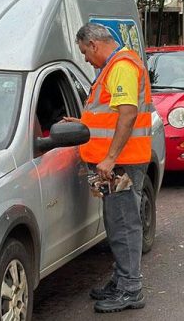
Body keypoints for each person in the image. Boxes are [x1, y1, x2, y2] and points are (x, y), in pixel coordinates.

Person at [64, 23, 151, 313]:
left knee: (124, 225)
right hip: (118, 162)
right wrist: (83, 124)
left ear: (94, 44)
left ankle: (131, 289)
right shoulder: (114, 66)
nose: (86, 59)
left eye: (85, 52)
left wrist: (111, 157)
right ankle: (122, 280)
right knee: (117, 222)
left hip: (123, 162)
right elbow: (109, 117)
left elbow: (127, 114)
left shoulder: (121, 66)